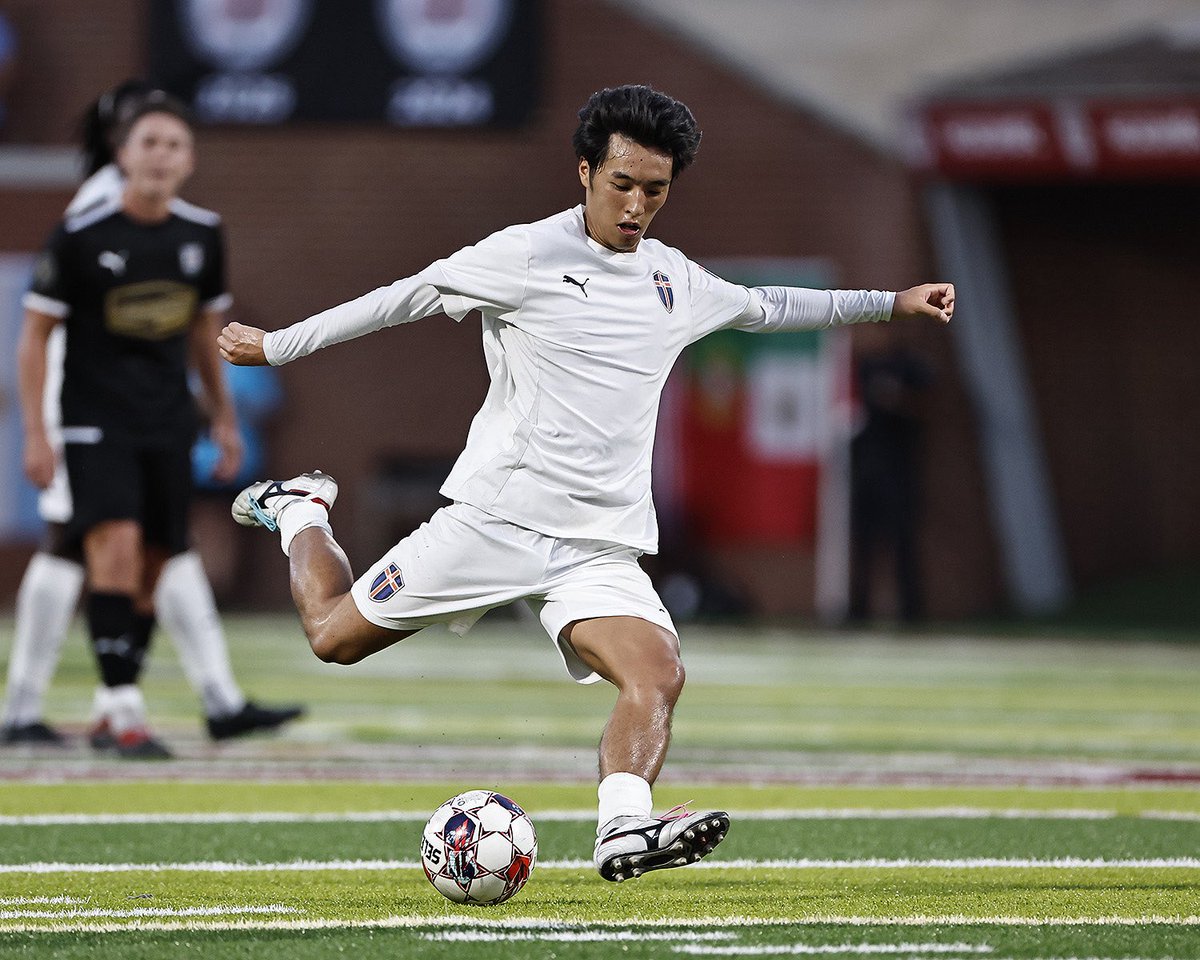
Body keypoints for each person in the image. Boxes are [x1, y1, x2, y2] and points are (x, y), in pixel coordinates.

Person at [219, 84, 954, 879]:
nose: (638, 205)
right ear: (584, 171)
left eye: (656, 190)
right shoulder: (525, 255)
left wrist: (892, 303)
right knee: (333, 638)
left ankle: (622, 831)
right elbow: (406, 297)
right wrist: (279, 345)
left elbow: (768, 305)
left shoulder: (674, 280)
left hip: (597, 546)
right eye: (622, 184)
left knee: (657, 673)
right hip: (493, 521)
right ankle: (300, 513)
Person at [2, 83, 303, 750]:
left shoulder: (196, 229)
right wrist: (41, 426)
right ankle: (96, 704)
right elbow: (39, 330)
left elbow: (202, 329)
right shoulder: (92, 216)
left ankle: (204, 699)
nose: (162, 154)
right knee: (96, 545)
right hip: (84, 412)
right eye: (149, 138)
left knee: (157, 550)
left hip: (161, 416)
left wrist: (219, 415)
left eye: (175, 142)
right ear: (121, 146)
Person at [848, 328, 935, 624]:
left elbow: (927, 409)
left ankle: (912, 613)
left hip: (900, 470)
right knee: (863, 544)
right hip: (866, 469)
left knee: (903, 544)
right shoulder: (863, 365)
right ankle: (858, 611)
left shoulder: (913, 367)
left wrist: (898, 399)